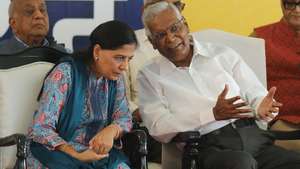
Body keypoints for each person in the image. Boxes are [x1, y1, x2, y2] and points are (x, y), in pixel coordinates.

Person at [138, 2, 300, 169]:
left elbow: (254, 92)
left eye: (174, 29)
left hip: (252, 137)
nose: (171, 38)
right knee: (241, 163)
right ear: (152, 42)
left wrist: (260, 106)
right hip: (207, 147)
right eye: (160, 35)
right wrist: (212, 114)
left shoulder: (222, 54)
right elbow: (158, 128)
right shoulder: (149, 75)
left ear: (186, 26)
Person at [27, 20, 137, 169]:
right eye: (119, 57)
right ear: (97, 51)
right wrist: (76, 154)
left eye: (128, 59)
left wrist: (111, 130)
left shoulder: (115, 79)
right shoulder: (65, 73)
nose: (124, 66)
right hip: (57, 154)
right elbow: (41, 128)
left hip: (98, 155)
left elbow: (124, 117)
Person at [124, 0, 185, 164]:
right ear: (146, 10)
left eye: (176, 6)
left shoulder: (194, 46)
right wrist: (143, 111)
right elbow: (119, 100)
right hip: (148, 128)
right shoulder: (128, 45)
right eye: (161, 7)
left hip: (192, 125)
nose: (169, 12)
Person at [251, 0, 300, 152]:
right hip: (283, 120)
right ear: (281, 4)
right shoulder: (259, 38)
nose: (297, 10)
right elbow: (245, 85)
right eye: (290, 4)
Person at [0, 0, 67, 54]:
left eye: (42, 10)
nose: (39, 15)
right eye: (29, 11)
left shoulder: (63, 54)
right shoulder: (2, 54)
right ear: (13, 23)